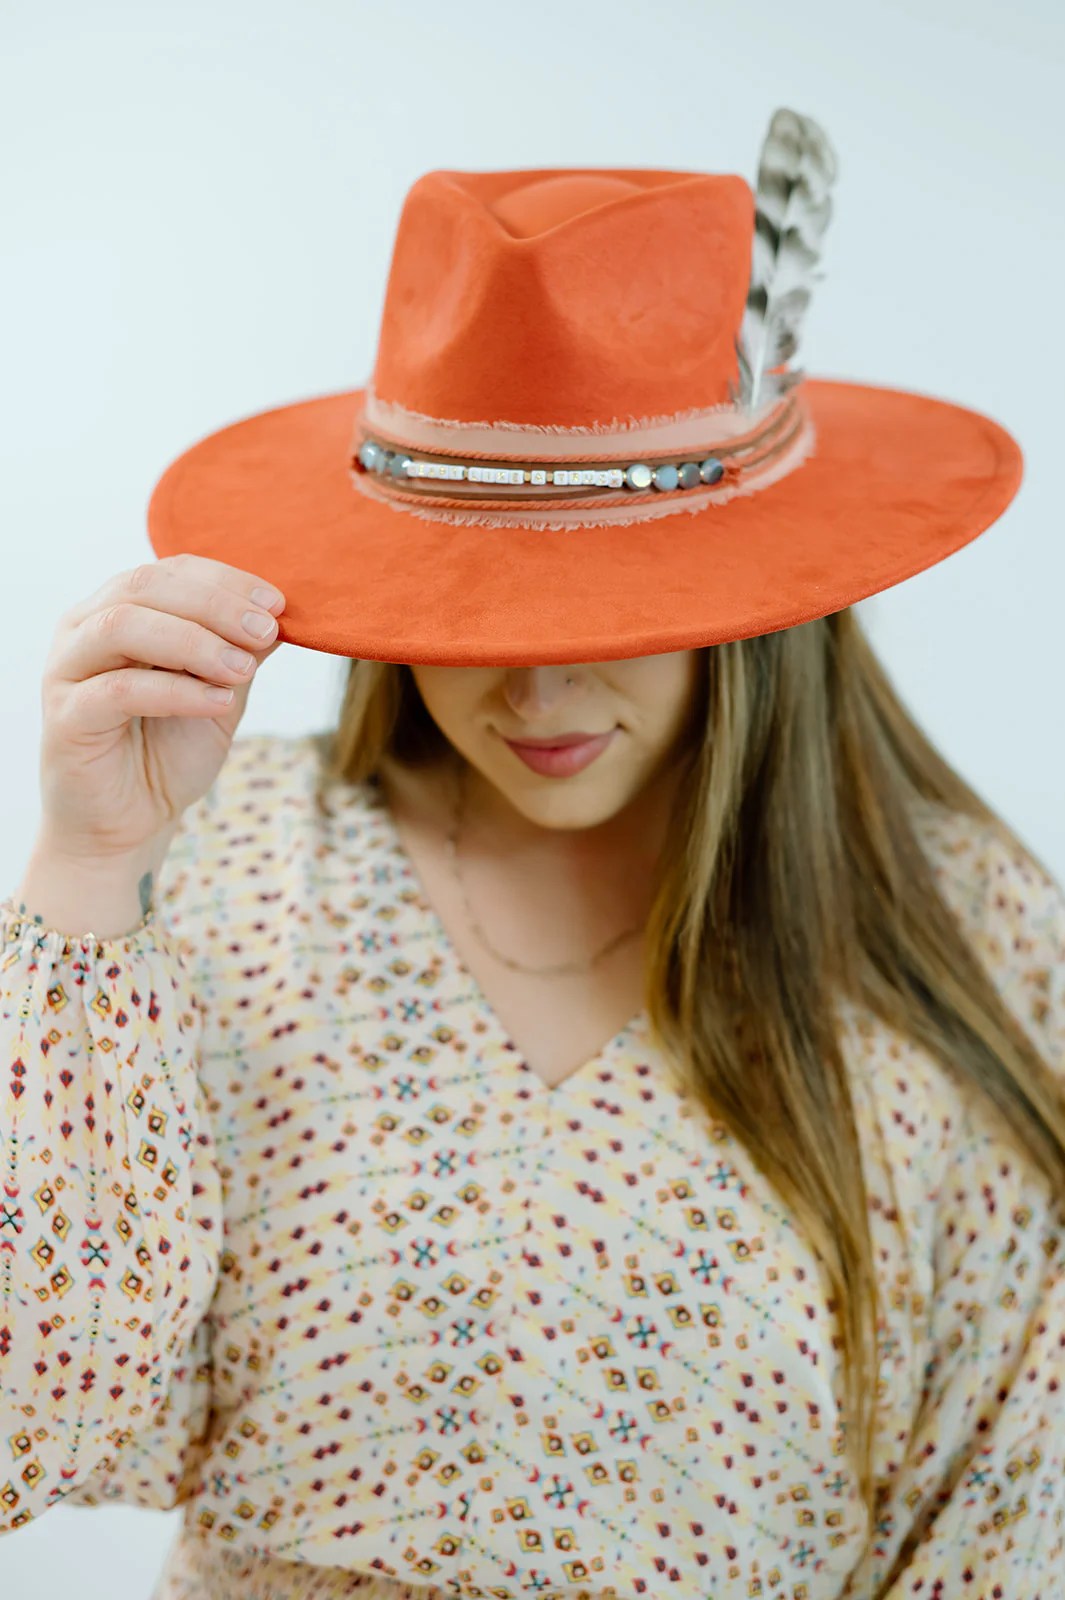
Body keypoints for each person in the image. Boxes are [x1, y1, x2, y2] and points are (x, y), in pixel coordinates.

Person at [2, 108, 1063, 1600]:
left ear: (762, 605)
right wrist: (85, 873)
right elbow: (22, 1422)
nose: (540, 696)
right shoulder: (239, 858)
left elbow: (1003, 1527)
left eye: (613, 615)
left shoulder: (972, 936)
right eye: (480, 614)